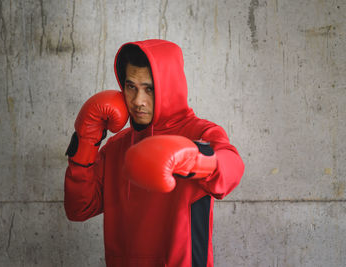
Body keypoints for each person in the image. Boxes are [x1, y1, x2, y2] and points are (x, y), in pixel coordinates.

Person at [64, 39, 244, 267]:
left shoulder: (200, 133)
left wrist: (193, 159)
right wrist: (85, 143)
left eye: (149, 89)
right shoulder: (117, 146)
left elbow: (233, 168)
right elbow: (79, 208)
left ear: (169, 87)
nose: (138, 101)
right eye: (131, 87)